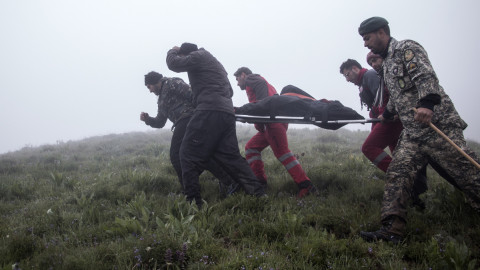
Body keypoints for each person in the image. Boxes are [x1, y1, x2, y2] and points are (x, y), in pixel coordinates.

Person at [357, 16, 480, 243]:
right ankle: (391, 231)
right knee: (398, 173)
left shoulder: (406, 49)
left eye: (367, 38)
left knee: (467, 173)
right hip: (413, 134)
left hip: (437, 126)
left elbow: (426, 78)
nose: (365, 43)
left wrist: (427, 104)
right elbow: (399, 94)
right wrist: (388, 113)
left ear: (382, 32)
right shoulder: (386, 64)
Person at [166, 43, 266, 207]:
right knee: (231, 157)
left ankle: (193, 203)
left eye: (184, 57)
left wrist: (173, 50)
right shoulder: (216, 64)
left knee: (186, 154)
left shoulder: (198, 56)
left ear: (187, 54)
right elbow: (230, 92)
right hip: (226, 113)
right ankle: (259, 194)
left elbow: (173, 64)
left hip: (208, 111)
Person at [339, 58, 427, 207]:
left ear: (355, 69)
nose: (347, 80)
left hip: (390, 119)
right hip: (386, 119)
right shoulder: (363, 82)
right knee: (398, 155)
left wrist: (384, 115)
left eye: (347, 75)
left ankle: (400, 179)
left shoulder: (369, 76)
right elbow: (375, 104)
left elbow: (384, 95)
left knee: (368, 148)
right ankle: (412, 193)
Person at [140, 71, 238, 196]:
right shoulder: (161, 99)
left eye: (149, 86)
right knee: (200, 155)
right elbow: (160, 122)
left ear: (155, 81)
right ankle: (229, 181)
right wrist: (148, 119)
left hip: (189, 119)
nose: (149, 90)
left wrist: (203, 116)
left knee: (176, 154)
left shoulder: (172, 83)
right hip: (183, 122)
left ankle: (189, 190)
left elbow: (193, 95)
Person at [233, 67, 317, 198]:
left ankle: (306, 185)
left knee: (283, 154)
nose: (237, 83)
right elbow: (261, 105)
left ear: (243, 75)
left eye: (237, 79)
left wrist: (243, 110)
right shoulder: (259, 83)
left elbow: (262, 104)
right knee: (251, 148)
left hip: (273, 124)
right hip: (269, 125)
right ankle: (259, 182)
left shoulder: (252, 79)